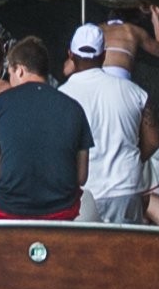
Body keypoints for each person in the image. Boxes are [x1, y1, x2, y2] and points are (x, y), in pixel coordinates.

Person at [0, 31, 90, 222]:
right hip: (62, 208)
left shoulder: (0, 103)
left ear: (19, 70)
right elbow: (81, 177)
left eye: (9, 73)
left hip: (8, 207)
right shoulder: (74, 107)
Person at [63, 20, 153, 224]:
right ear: (103, 55)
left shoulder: (60, 96)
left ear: (70, 54)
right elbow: (153, 140)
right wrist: (133, 159)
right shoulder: (135, 93)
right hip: (124, 187)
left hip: (79, 192)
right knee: (124, 253)